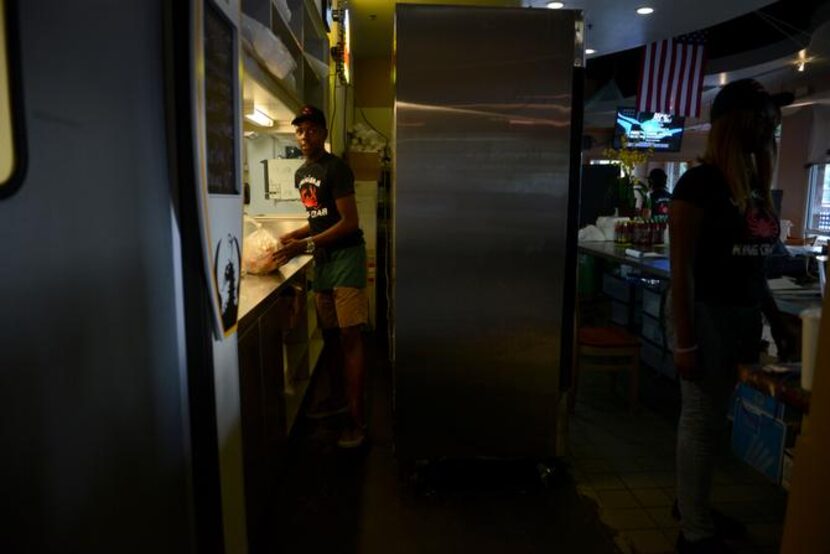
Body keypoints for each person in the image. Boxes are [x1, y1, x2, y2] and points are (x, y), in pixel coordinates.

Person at [669, 79, 795, 553]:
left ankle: (692, 504)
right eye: (762, 119)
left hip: (740, 315)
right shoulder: (697, 185)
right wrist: (684, 341)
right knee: (701, 419)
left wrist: (776, 319)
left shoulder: (753, 188)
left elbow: (752, 265)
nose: (769, 128)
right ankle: (694, 532)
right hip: (703, 315)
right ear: (737, 124)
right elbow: (682, 272)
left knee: (713, 419)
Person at [274, 105, 369, 448]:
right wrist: (293, 236)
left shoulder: (337, 168)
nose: (304, 136)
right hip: (325, 262)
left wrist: (304, 243)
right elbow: (320, 218)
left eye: (311, 129)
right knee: (330, 338)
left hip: (347, 259)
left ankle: (357, 422)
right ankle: (336, 400)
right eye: (299, 131)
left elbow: (349, 222)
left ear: (323, 134)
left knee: (349, 339)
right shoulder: (302, 175)